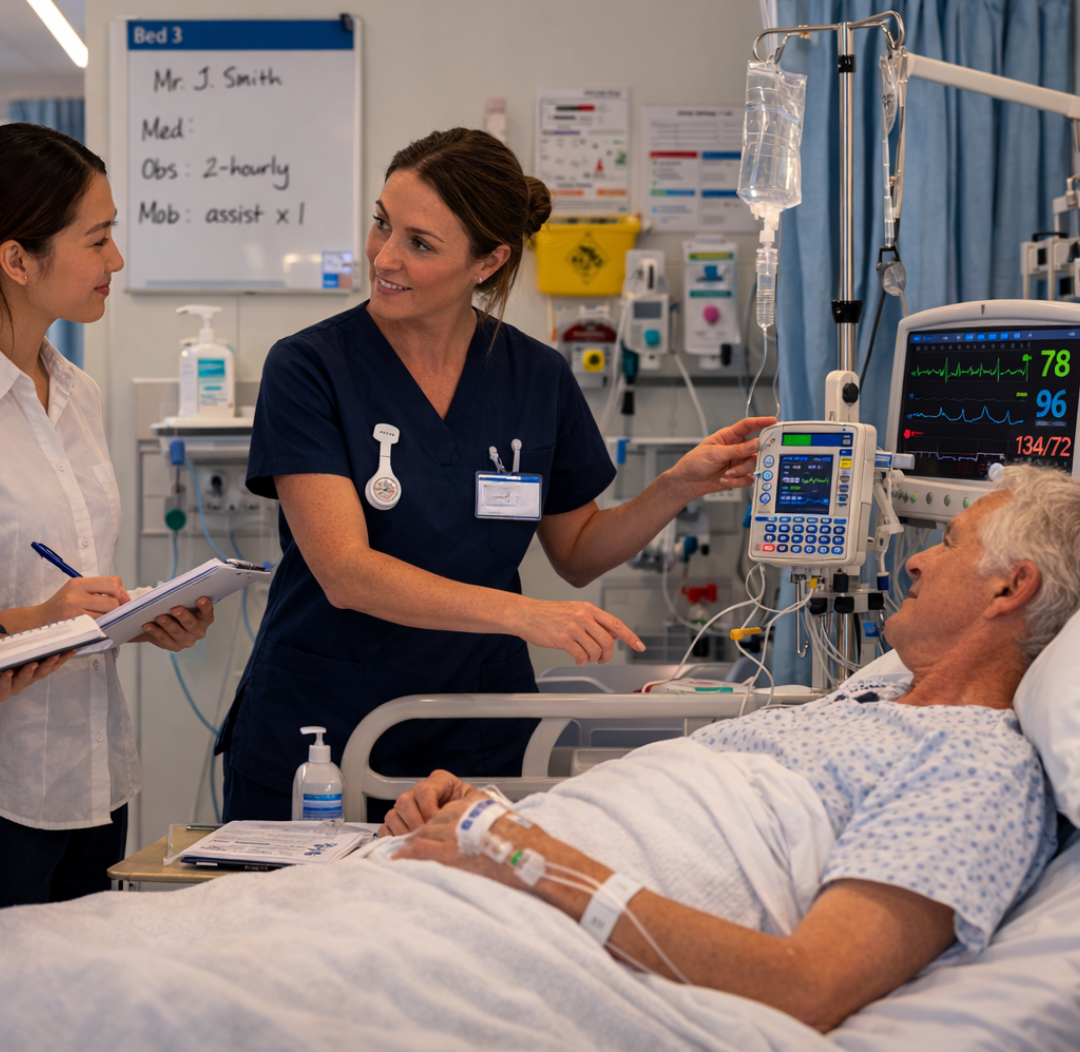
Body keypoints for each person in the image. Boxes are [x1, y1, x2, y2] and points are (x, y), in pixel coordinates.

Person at [381, 464, 1080, 1032]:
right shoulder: (863, 703)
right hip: (470, 879)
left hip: (509, 929)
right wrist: (488, 815)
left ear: (1010, 588)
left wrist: (522, 855)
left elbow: (809, 986)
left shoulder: (978, 765)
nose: (918, 560)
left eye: (950, 542)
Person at [219, 126, 773, 822]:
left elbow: (576, 552)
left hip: (478, 727)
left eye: (420, 244)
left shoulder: (535, 377)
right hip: (326, 727)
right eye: (382, 224)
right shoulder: (309, 369)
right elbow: (345, 572)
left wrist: (678, 485)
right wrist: (522, 614)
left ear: (488, 261)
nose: (384, 257)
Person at [0, 123, 216, 907]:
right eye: (97, 240)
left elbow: (71, 580)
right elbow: (38, 603)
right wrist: (35, 618)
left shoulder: (78, 395)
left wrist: (142, 615)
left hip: (94, 779)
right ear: (17, 259)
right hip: (7, 787)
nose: (115, 261)